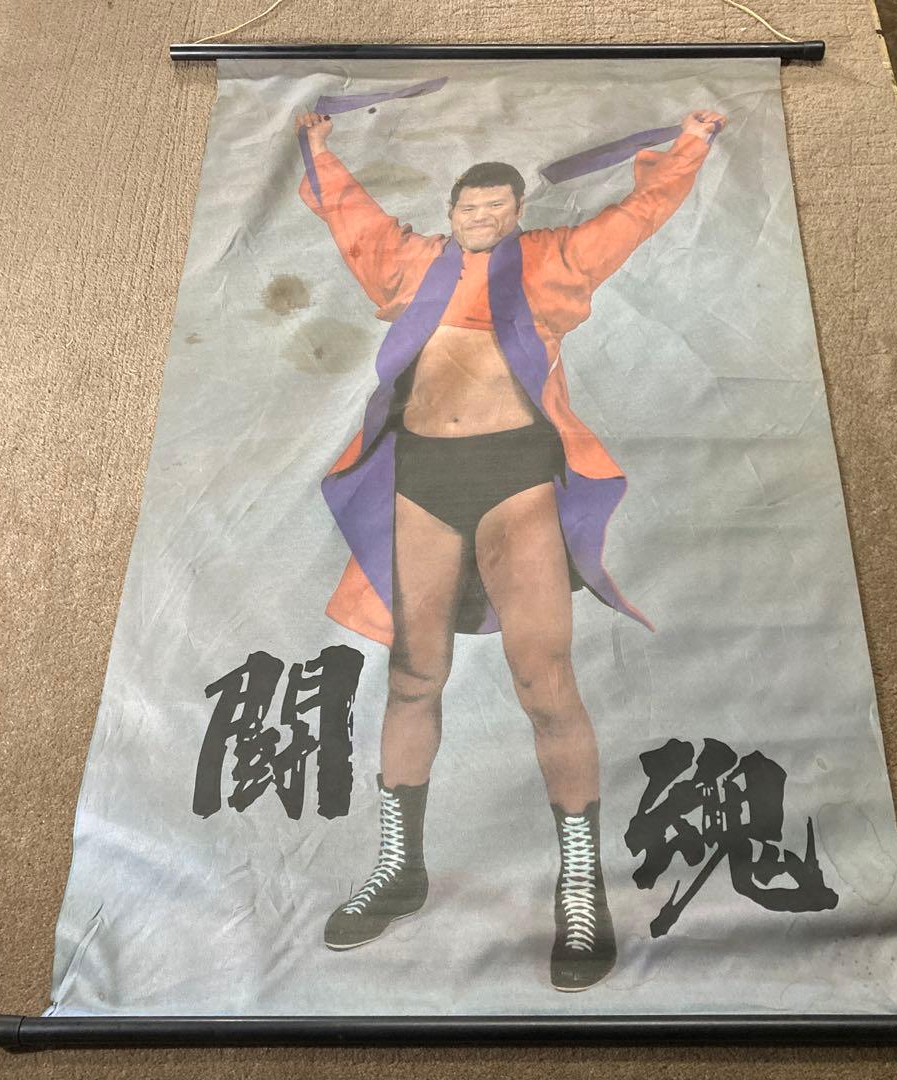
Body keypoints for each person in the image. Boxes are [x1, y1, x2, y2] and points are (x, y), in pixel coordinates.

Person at [296, 105, 725, 991]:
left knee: (544, 681)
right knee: (413, 673)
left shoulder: (552, 259)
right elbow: (353, 215)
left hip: (517, 473)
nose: (483, 217)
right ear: (451, 213)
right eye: (470, 207)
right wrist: (316, 145)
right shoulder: (413, 262)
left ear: (517, 212)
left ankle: (580, 888)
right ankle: (399, 869)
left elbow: (637, 215)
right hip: (422, 474)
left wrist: (689, 143)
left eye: (497, 207)